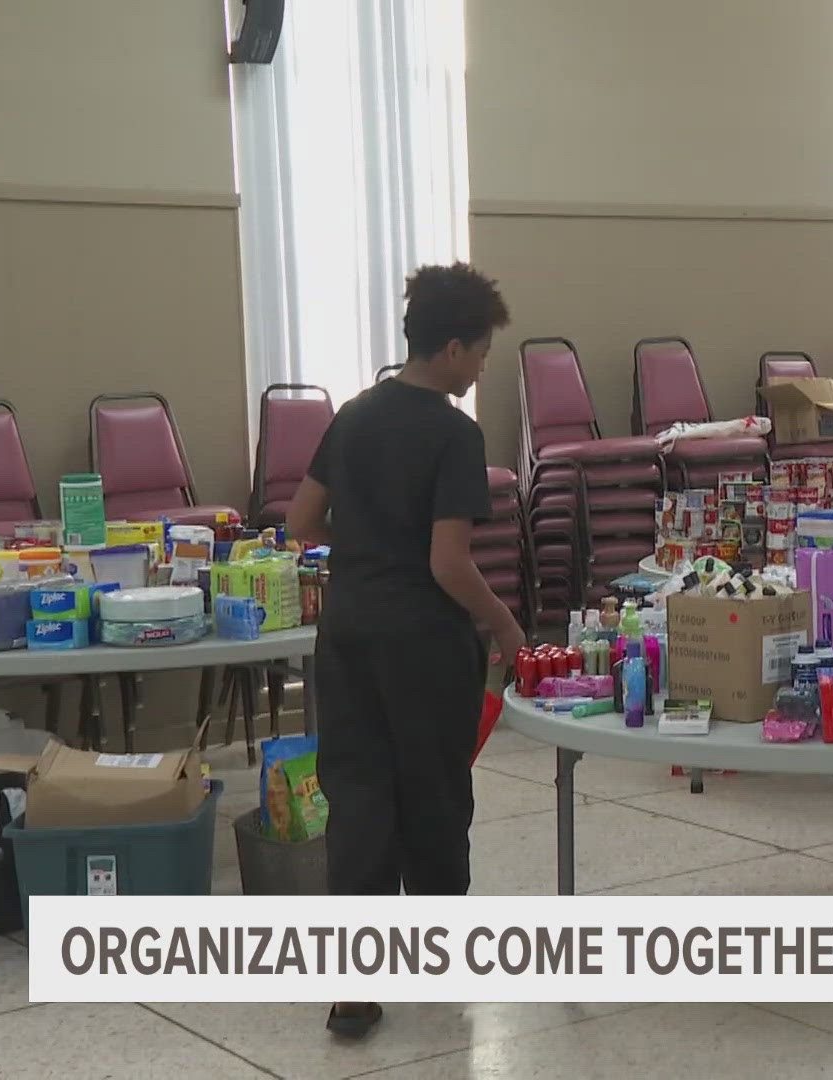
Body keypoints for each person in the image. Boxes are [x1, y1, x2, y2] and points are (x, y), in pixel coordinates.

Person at [286, 263, 527, 1037]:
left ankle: (353, 988)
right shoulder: (454, 434)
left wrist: (365, 551)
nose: (483, 365)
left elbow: (300, 520)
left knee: (357, 803)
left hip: (349, 634)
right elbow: (448, 564)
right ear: (453, 348)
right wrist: (504, 623)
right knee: (432, 797)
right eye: (482, 351)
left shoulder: (354, 414)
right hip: (424, 644)